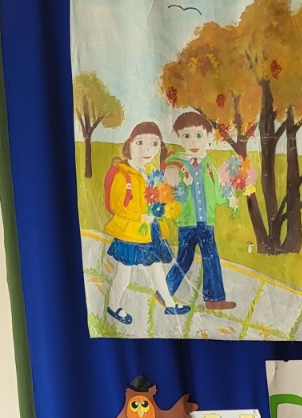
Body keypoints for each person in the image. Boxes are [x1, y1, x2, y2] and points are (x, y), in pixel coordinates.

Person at [102, 121, 185, 326]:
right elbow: (116, 206)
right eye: (140, 143)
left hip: (150, 232)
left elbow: (159, 201)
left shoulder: (150, 173)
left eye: (154, 144)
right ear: (129, 144)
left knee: (157, 270)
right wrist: (140, 217)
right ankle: (113, 306)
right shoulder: (123, 175)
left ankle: (169, 304)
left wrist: (166, 206)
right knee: (124, 273)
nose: (147, 150)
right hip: (130, 235)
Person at [162, 111, 238, 312]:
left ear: (208, 137)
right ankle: (164, 291)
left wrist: (229, 199)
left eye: (198, 135)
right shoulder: (177, 165)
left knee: (211, 258)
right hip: (187, 222)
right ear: (179, 138)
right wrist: (178, 180)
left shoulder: (209, 166)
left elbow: (215, 192)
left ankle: (214, 299)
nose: (193, 141)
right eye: (186, 136)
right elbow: (172, 193)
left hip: (206, 222)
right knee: (184, 259)